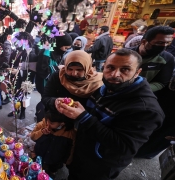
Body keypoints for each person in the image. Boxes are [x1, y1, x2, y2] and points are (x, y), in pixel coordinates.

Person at [58, 48, 164, 180]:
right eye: (110, 67)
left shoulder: (146, 110)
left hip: (101, 164)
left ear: (137, 72)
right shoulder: (105, 88)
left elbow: (123, 146)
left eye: (125, 69)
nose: (115, 74)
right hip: (83, 152)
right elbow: (92, 114)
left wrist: (83, 117)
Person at [128, 26, 175, 159]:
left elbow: (161, 83)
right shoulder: (127, 53)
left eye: (167, 43)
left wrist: (138, 88)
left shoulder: (167, 58)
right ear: (144, 41)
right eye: (159, 43)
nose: (164, 46)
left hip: (144, 101)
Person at [42, 50, 103, 129]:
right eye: (70, 69)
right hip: (57, 122)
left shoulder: (97, 83)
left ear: (87, 67)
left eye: (79, 70)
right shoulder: (58, 76)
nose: (74, 73)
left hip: (81, 126)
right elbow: (45, 97)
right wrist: (54, 102)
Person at [30, 110, 75, 179]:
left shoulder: (69, 133)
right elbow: (32, 136)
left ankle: (53, 172)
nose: (47, 124)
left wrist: (67, 161)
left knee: (53, 169)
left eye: (51, 123)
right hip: (41, 154)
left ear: (62, 123)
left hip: (55, 159)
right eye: (47, 120)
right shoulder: (43, 124)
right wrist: (42, 132)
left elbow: (71, 149)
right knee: (37, 169)